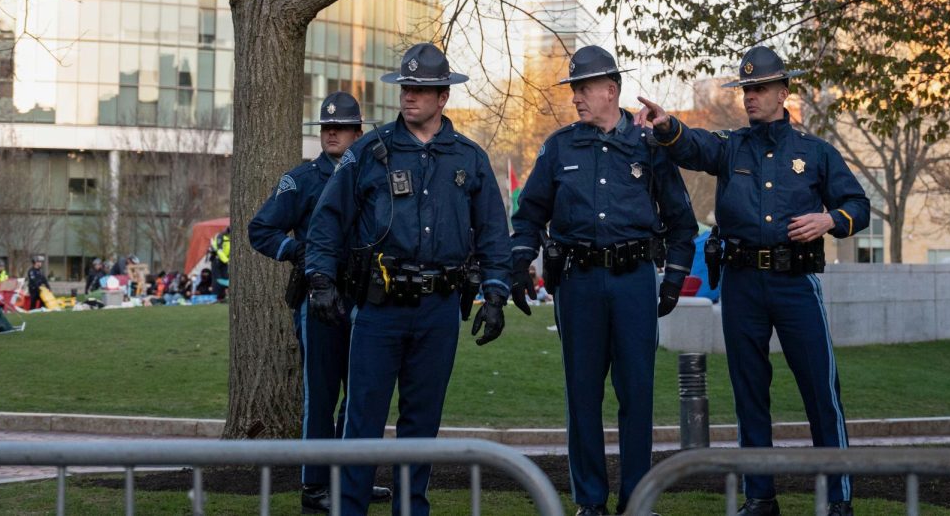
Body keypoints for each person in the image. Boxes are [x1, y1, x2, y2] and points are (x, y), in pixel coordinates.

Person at [636, 45, 870, 516]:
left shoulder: (815, 152)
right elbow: (692, 145)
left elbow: (857, 206)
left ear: (783, 92)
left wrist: (829, 221)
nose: (751, 97)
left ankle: (838, 499)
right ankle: (760, 496)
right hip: (742, 282)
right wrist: (665, 126)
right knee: (748, 392)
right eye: (746, 89)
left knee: (821, 391)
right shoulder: (731, 147)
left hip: (795, 281)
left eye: (760, 88)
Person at [306, 42, 511, 516]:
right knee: (363, 421)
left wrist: (496, 293)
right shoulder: (368, 153)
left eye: (420, 89)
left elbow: (494, 234)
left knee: (422, 424)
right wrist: (319, 278)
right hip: (380, 308)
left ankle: (410, 509)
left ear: (443, 97)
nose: (410, 96)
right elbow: (327, 221)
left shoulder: (469, 159)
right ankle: (349, 508)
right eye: (406, 87)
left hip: (439, 309)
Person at [510, 45, 697, 516]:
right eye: (574, 89)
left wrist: (674, 277)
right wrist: (519, 261)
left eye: (584, 88)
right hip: (579, 283)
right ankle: (590, 501)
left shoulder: (649, 146)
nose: (576, 98)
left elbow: (680, 220)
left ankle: (637, 499)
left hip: (634, 280)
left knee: (637, 393)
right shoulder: (558, 146)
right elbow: (529, 213)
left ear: (611, 90)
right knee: (583, 394)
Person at [248, 91, 390, 512]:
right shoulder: (303, 179)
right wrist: (296, 251)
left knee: (360, 394)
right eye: (326, 128)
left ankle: (349, 479)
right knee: (321, 396)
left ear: (357, 133)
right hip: (318, 299)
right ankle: (314, 485)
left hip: (365, 296)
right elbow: (261, 230)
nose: (332, 133)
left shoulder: (373, 176)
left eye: (341, 128)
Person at [208, 229, 230, 301]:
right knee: (217, 278)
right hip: (217, 259)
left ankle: (222, 297)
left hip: (225, 260)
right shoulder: (220, 236)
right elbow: (219, 250)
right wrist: (227, 260)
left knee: (225, 278)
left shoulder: (230, 237)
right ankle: (215, 297)